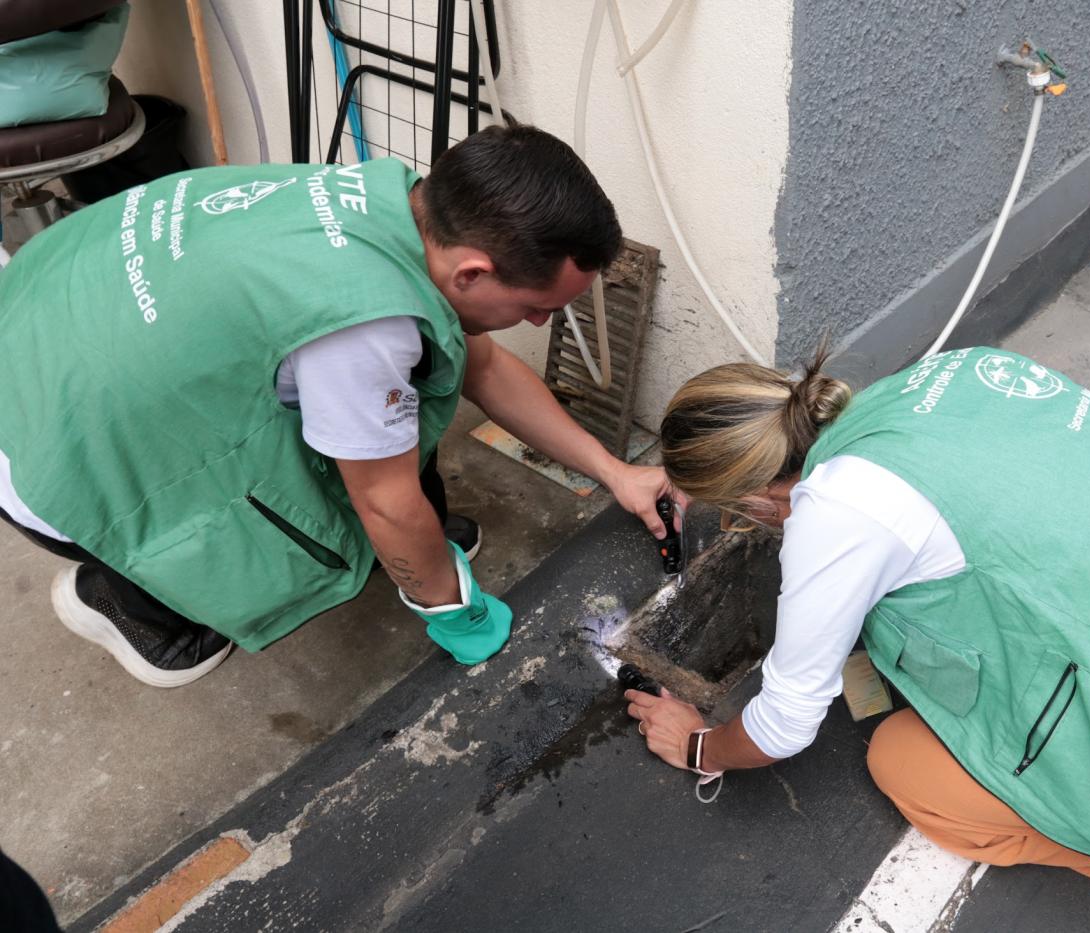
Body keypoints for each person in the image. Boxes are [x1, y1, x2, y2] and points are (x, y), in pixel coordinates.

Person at [627, 346, 1090, 897]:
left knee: (905, 762)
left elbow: (784, 725)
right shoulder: (951, 372)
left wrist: (700, 744)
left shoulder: (837, 512)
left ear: (754, 498)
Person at [0, 124, 675, 687]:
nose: (535, 325)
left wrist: (616, 472)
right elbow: (385, 499)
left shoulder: (390, 202)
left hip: (49, 320)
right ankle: (128, 601)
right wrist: (451, 608)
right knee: (285, 539)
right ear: (471, 271)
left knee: (408, 397)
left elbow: (483, 365)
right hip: (45, 454)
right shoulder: (364, 324)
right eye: (536, 308)